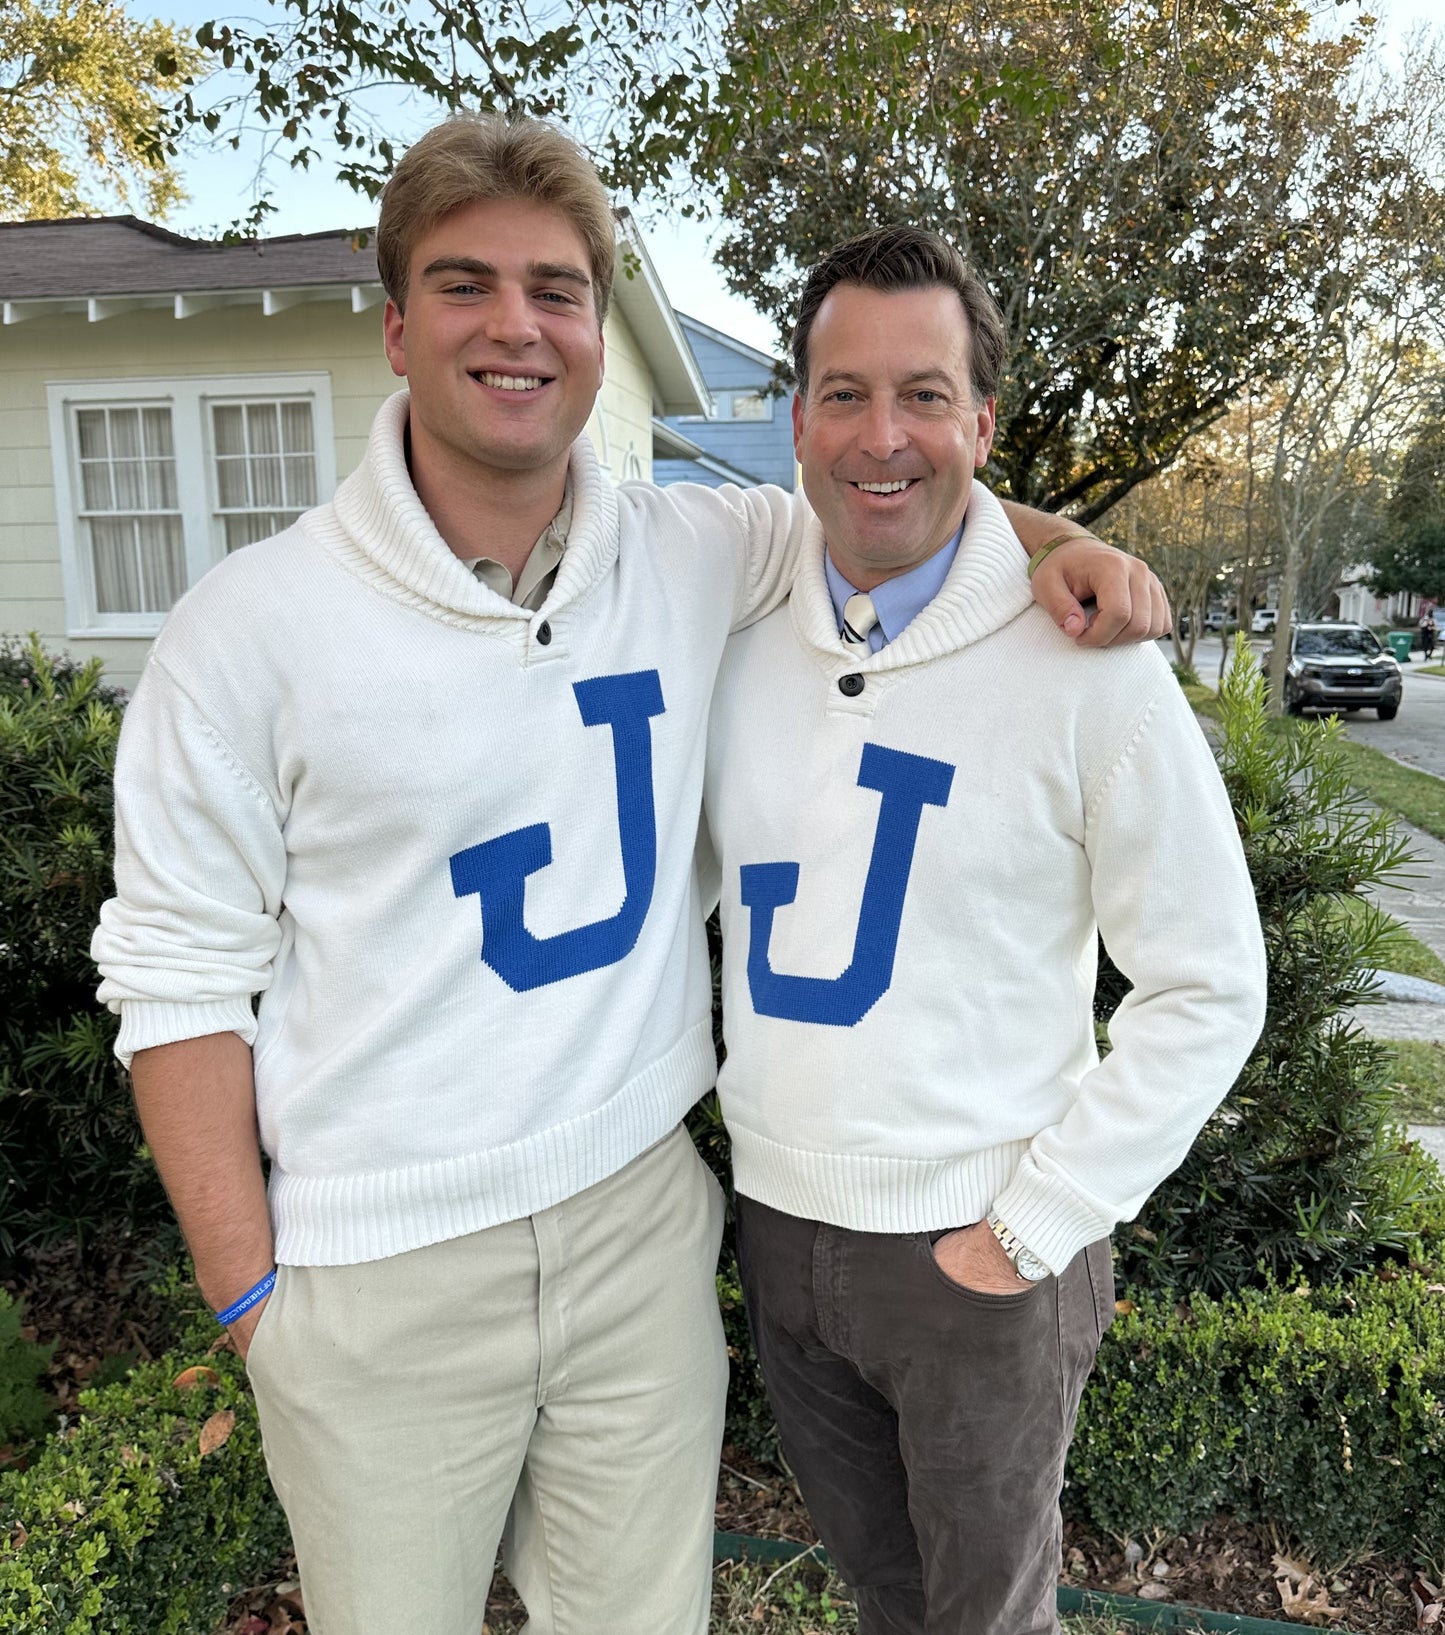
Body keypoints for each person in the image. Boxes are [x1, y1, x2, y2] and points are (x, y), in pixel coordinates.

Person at [92, 120, 1169, 1635]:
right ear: (397, 328)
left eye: (557, 288)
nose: (515, 326)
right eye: (465, 286)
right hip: (376, 1268)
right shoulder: (244, 631)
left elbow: (894, 502)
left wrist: (1068, 547)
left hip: (637, 1234)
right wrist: (254, 1299)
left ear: (600, 329)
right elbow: (176, 977)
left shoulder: (691, 547)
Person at [701, 225, 1267, 1635]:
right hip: (782, 1230)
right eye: (842, 393)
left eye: (923, 395)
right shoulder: (724, 624)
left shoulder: (1088, 669)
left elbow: (1209, 981)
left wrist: (1029, 1232)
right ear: (795, 416)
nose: (879, 435)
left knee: (983, 1619)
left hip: (975, 1250)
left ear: (981, 422)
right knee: (883, 1598)